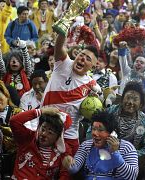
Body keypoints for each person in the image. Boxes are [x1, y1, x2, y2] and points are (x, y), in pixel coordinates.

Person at [41, 13, 101, 155]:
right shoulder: (63, 63)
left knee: (68, 173)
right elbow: (59, 44)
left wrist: (94, 97)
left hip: (69, 135)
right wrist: (65, 25)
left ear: (92, 67)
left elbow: (95, 104)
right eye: (81, 55)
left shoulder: (91, 84)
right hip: (45, 127)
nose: (82, 59)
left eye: (87, 59)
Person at [62, 111, 139, 180]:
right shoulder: (86, 145)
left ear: (113, 133)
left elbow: (132, 176)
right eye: (93, 129)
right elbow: (75, 168)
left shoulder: (127, 147)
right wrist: (69, 164)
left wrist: (115, 153)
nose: (94, 133)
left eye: (100, 130)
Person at [9, 106, 72, 179]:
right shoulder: (27, 138)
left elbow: (65, 174)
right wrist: (40, 111)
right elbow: (14, 121)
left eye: (50, 132)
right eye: (43, 129)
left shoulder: (64, 150)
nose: (43, 134)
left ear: (58, 137)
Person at [106, 81, 145, 156]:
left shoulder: (143, 121)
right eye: (128, 98)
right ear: (122, 99)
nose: (130, 102)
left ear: (141, 104)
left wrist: (130, 155)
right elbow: (94, 129)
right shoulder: (111, 112)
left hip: (131, 161)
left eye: (135, 99)